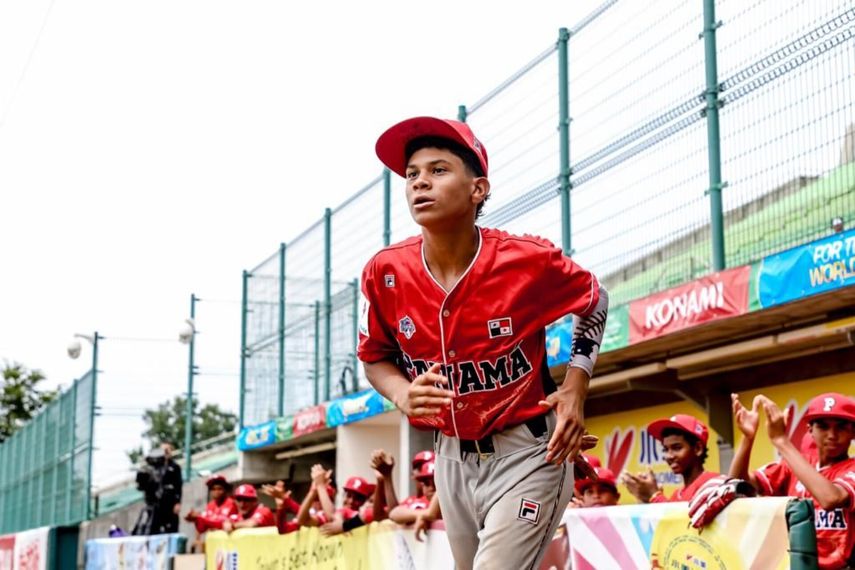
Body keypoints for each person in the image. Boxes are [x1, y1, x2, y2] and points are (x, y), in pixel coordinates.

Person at [360, 116, 609, 569]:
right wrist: (401, 393)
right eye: (412, 174)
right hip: (450, 459)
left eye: (438, 170)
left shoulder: (525, 259)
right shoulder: (385, 272)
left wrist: (576, 388)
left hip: (528, 452)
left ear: (478, 189)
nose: (420, 182)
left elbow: (595, 299)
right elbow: (375, 357)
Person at [730, 393, 855, 569]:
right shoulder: (796, 465)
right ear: (810, 429)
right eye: (823, 426)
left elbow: (830, 498)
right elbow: (738, 485)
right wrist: (747, 439)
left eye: (841, 427)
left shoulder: (851, 468)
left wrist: (781, 441)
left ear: (853, 432)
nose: (832, 435)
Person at [622, 414, 719, 503]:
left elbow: (689, 520)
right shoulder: (676, 494)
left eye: (677, 448)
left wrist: (654, 495)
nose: (669, 456)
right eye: (665, 449)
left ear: (698, 448)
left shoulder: (712, 483)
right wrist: (643, 497)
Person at [131, 442, 183, 535]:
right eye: (163, 450)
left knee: (171, 526)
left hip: (169, 501)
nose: (165, 452)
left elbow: (178, 485)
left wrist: (177, 502)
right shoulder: (152, 468)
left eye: (168, 450)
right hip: (155, 502)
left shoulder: (175, 467)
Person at [185, 474, 237, 550]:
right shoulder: (210, 505)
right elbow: (202, 527)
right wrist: (196, 520)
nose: (216, 491)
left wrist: (201, 518)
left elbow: (223, 523)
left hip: (228, 543)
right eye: (213, 489)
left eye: (219, 489)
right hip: (214, 544)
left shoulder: (232, 503)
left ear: (225, 489)